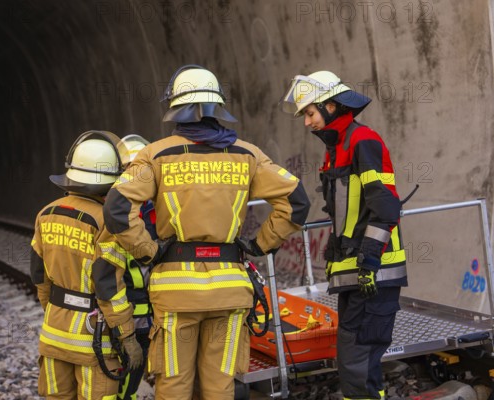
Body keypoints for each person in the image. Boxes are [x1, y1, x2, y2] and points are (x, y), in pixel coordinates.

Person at [103, 65, 311, 400]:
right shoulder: (247, 154)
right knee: (220, 387)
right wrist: (259, 244)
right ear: (218, 108)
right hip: (230, 289)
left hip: (175, 291)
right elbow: (296, 201)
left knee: (174, 385)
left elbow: (116, 209)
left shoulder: (157, 154)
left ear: (177, 109)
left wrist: (147, 250)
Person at [280, 71, 408, 400]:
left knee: (358, 366)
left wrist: (368, 259)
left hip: (372, 273)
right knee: (354, 366)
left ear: (332, 106)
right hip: (357, 275)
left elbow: (385, 208)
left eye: (309, 113)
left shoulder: (362, 141)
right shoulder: (338, 147)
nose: (307, 123)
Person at [30, 130, 143, 400]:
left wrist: (57, 310)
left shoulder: (45, 213)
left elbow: (38, 276)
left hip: (54, 335)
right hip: (94, 342)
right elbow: (108, 288)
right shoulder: (106, 223)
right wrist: (127, 337)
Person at [115, 134, 156, 400]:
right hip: (128, 308)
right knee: (128, 367)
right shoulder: (116, 211)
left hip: (151, 307)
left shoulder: (155, 210)